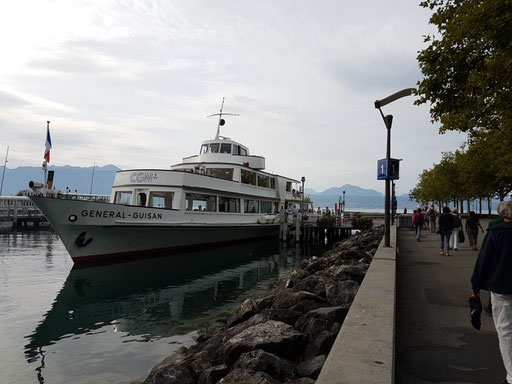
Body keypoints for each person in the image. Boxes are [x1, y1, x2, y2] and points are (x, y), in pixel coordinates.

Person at [471, 201, 512, 384]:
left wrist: (476, 286)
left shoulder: (496, 233)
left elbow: (484, 261)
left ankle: (511, 376)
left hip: (502, 287)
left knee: (505, 331)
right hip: (502, 287)